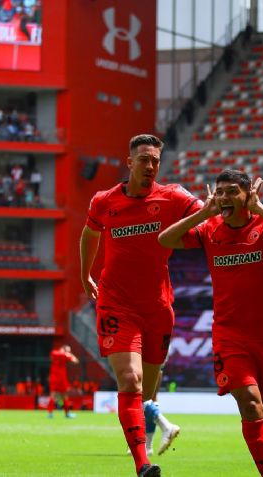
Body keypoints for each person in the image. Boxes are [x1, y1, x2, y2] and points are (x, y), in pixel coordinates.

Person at [159, 169, 263, 477]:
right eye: (219, 191)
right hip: (229, 335)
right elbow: (164, 239)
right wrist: (203, 214)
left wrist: (259, 207)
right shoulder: (210, 229)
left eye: (232, 191)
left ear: (247, 195)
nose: (223, 197)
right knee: (250, 404)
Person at [79, 134, 201, 477]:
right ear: (129, 162)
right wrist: (85, 274)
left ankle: (147, 431)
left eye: (155, 161)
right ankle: (142, 465)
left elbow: (207, 223)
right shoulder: (105, 201)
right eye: (144, 159)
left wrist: (216, 211)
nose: (150, 166)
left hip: (158, 307)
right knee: (129, 380)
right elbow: (90, 234)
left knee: (147, 389)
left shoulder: (173, 196)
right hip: (116, 304)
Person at [47, 344, 79, 419]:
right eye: (67, 350)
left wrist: (68, 354)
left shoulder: (58, 354)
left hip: (58, 378)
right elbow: (75, 360)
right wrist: (68, 354)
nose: (68, 351)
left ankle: (56, 413)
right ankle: (52, 413)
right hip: (58, 378)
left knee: (61, 396)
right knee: (55, 395)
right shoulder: (60, 353)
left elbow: (76, 361)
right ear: (63, 348)